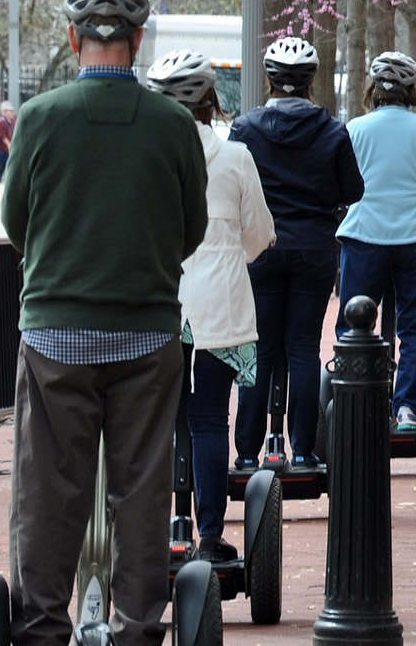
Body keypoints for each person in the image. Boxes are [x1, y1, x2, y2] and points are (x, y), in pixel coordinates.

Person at [0, 0, 208, 645]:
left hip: (56, 333)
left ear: (72, 38)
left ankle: (39, 626)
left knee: (45, 491)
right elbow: (192, 229)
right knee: (141, 490)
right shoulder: (174, 126)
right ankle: (138, 627)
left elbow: (16, 222)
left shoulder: (39, 119)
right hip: (146, 334)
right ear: (139, 41)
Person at [146, 48, 276, 562]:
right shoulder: (236, 155)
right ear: (209, 101)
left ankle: (155, 532)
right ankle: (209, 535)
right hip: (219, 308)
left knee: (155, 423)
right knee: (207, 421)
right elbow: (259, 233)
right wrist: (232, 254)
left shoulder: (144, 156)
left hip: (158, 304)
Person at [231, 36, 363, 470]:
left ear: (269, 80)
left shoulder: (245, 129)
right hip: (313, 249)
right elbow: (353, 190)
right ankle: (303, 451)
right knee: (304, 349)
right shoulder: (332, 130)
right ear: (311, 82)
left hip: (261, 250)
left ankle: (248, 453)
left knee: (260, 348)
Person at [335, 51, 416, 430]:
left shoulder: (354, 129)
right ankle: (406, 408)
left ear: (373, 89)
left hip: (364, 236)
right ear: (411, 91)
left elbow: (343, 186)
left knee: (353, 325)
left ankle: (353, 398)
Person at [0, 100, 17, 182]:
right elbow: (2, 136)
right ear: (4, 112)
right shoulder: (1, 122)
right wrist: (9, 144)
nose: (12, 113)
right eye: (10, 111)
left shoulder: (11, 121)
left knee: (3, 164)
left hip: (5, 148)